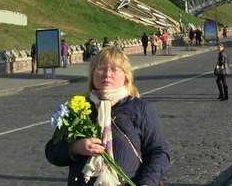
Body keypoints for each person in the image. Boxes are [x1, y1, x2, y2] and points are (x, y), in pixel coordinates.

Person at [45, 47, 170, 185]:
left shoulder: (140, 109)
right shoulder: (78, 108)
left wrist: (147, 182)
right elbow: (52, 151)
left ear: (126, 76)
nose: (107, 74)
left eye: (115, 69)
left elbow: (158, 152)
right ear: (92, 74)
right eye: (101, 68)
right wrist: (75, 147)